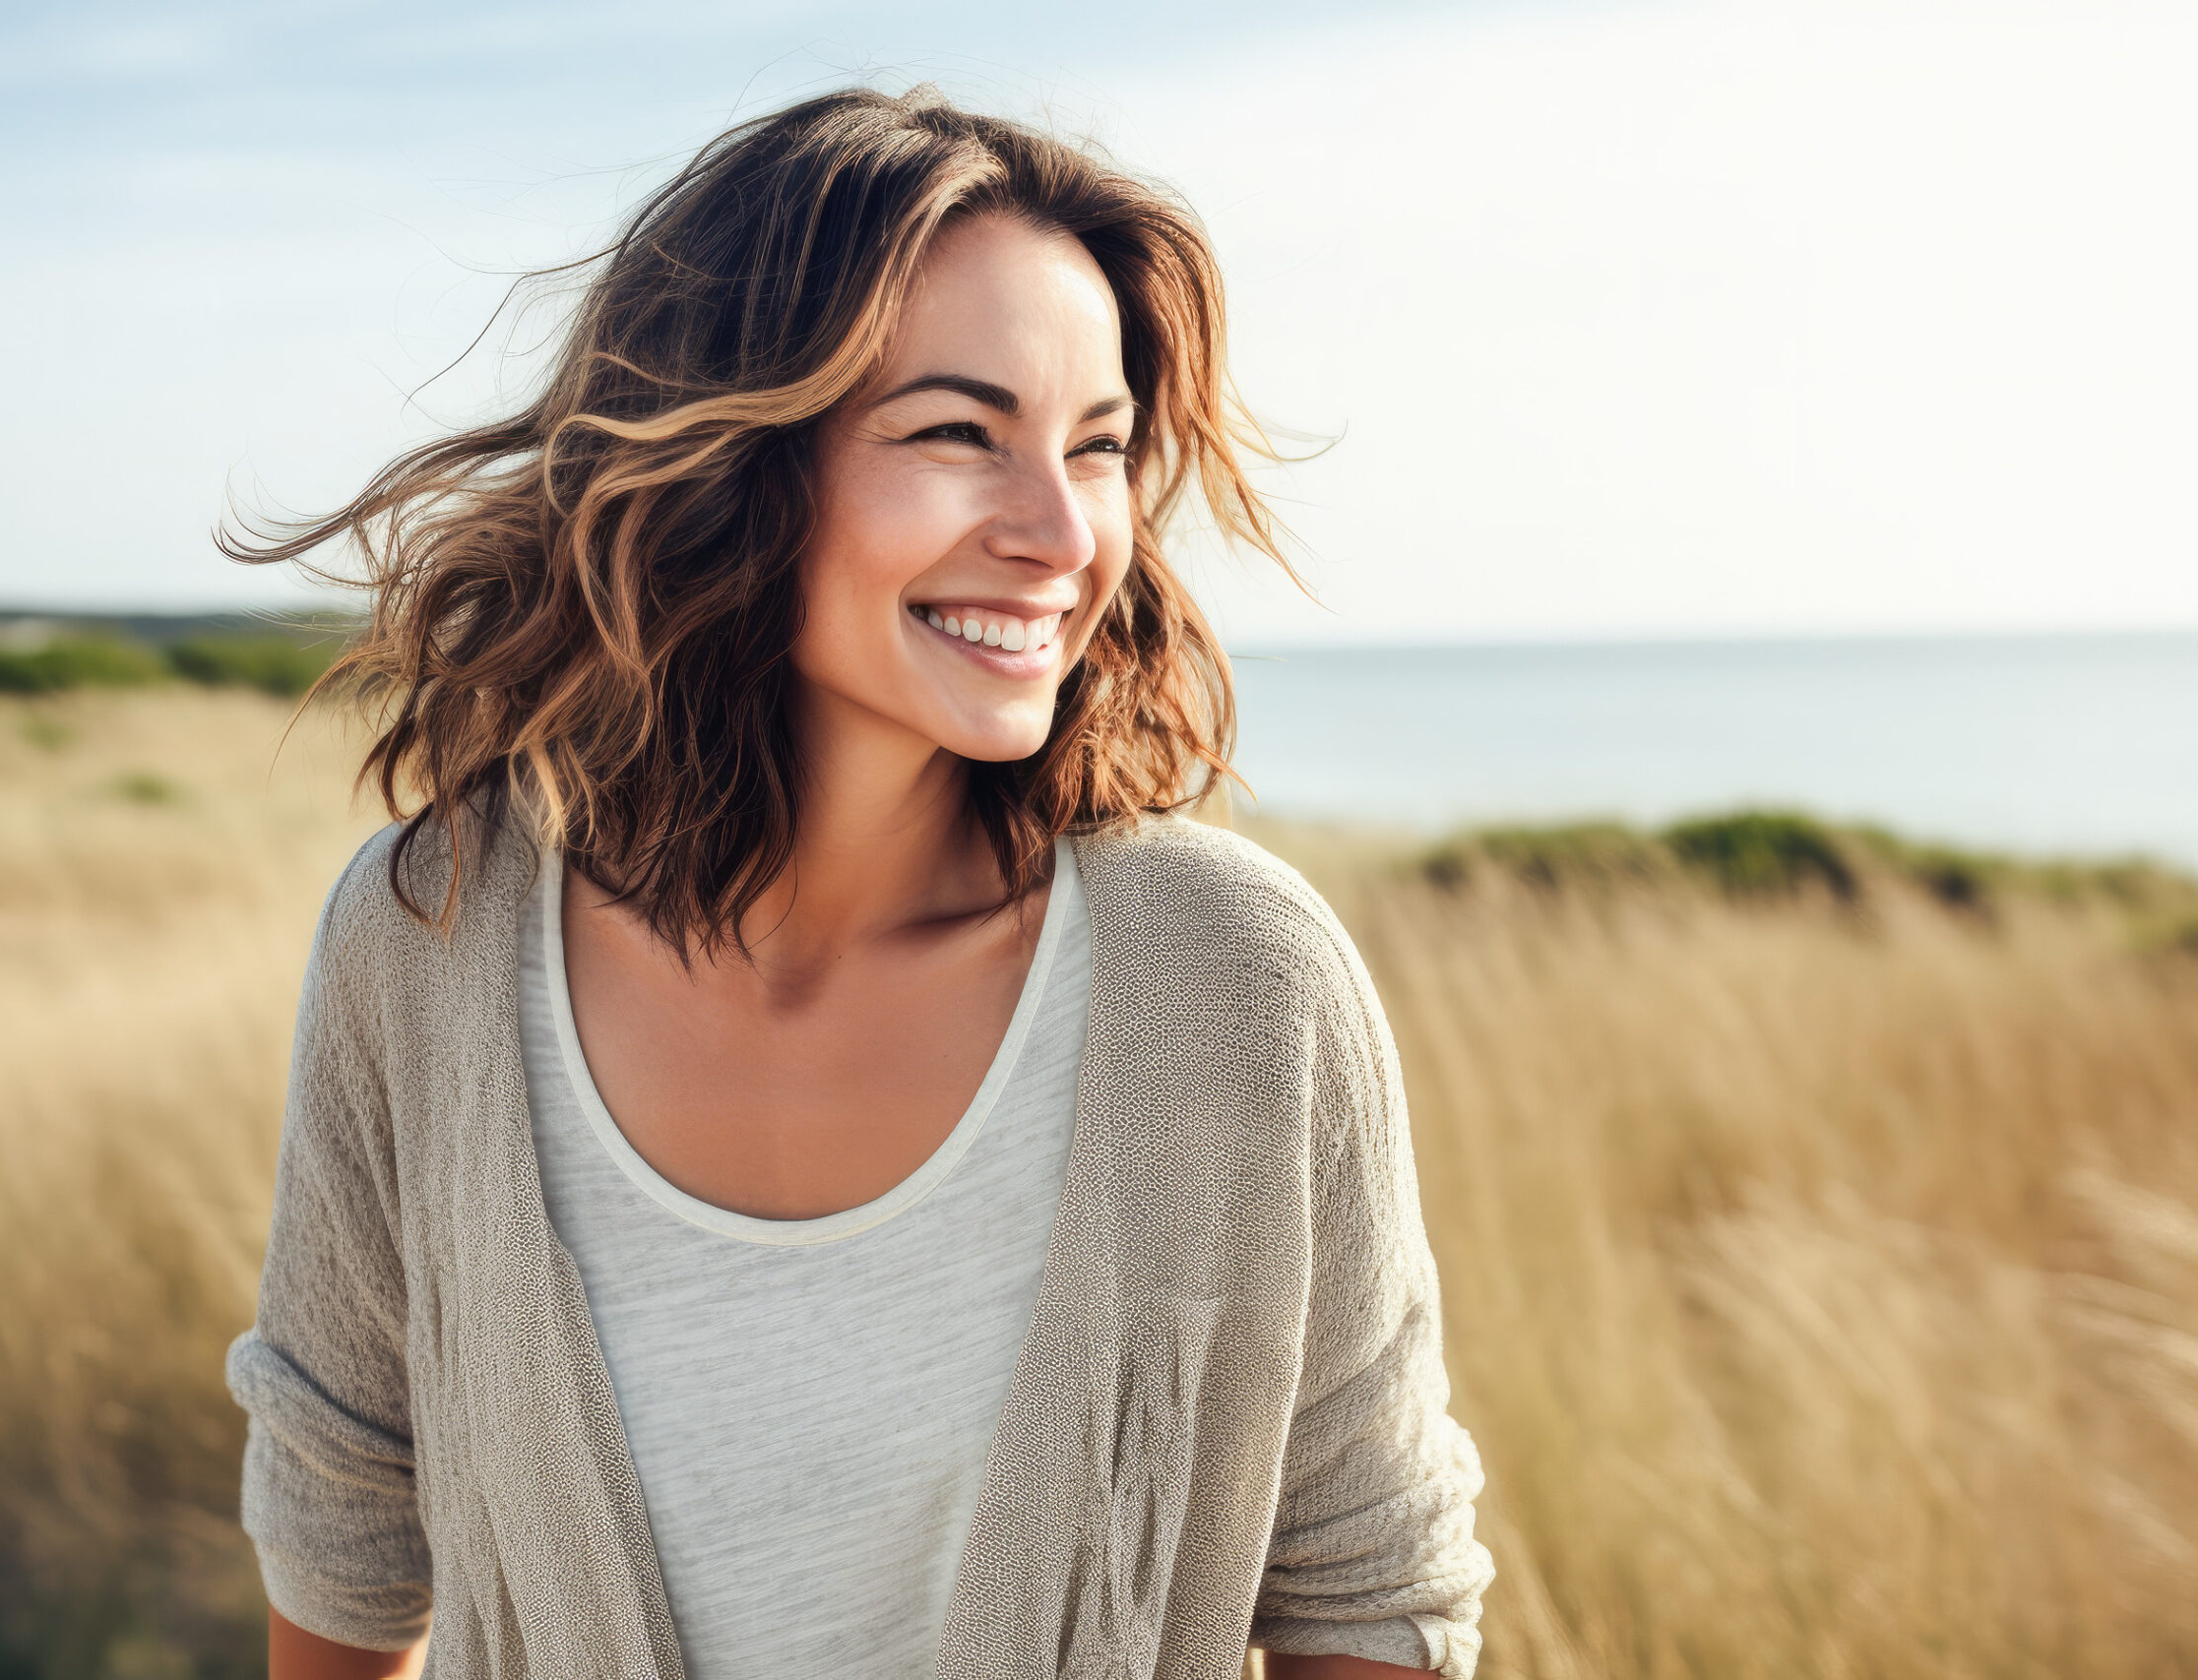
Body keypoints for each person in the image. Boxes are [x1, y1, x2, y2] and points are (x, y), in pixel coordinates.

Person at [222, 86, 1492, 1680]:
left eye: (1096, 450)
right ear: (737, 462)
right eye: (960, 432)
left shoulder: (1235, 984)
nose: (1059, 535)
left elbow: (1370, 1589)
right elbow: (343, 1521)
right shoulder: (431, 938)